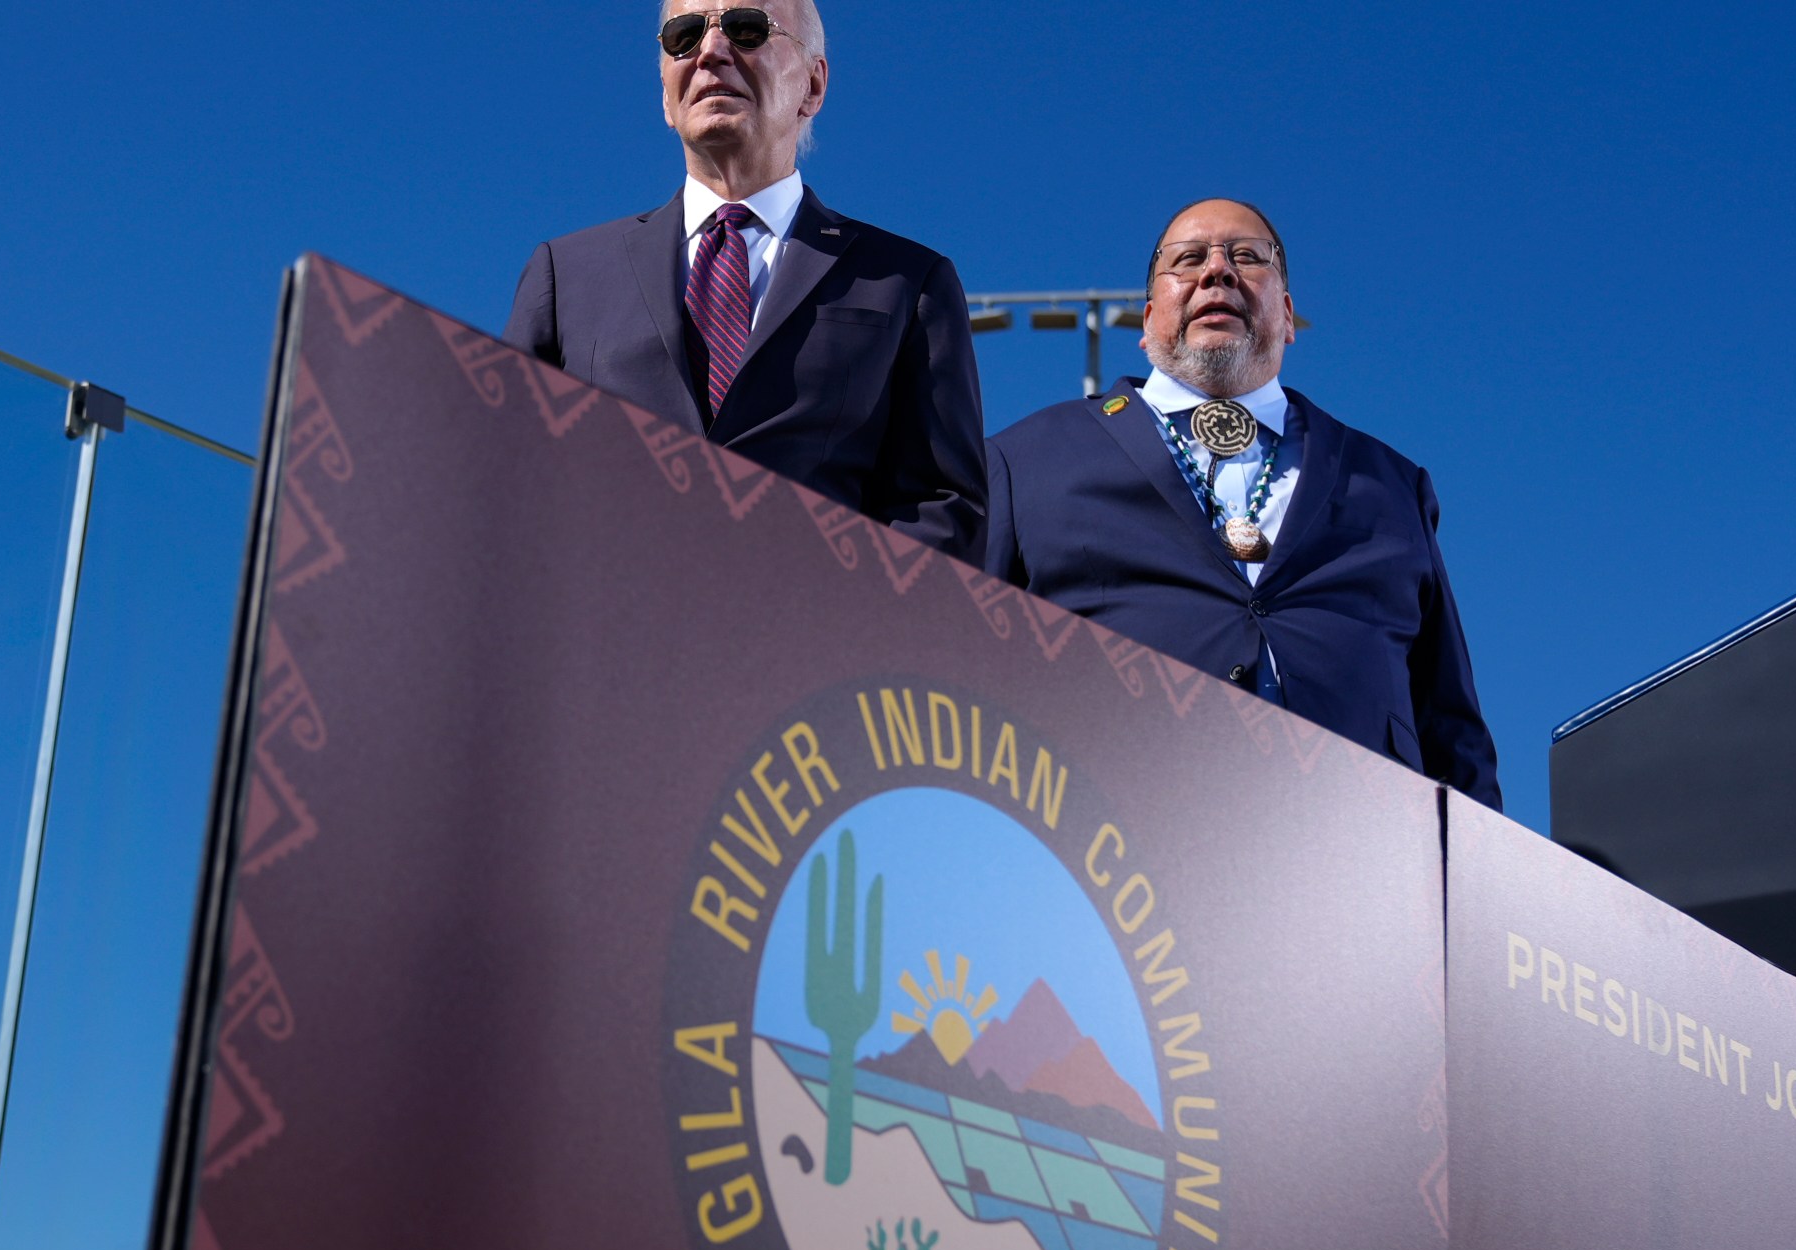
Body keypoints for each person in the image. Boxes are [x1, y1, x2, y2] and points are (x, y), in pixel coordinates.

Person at [984, 199, 1501, 805]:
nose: (1217, 272)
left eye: (1248, 258)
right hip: (1109, 834)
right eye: (1188, 260)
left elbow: (1450, 723)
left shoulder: (1390, 481)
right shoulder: (1026, 459)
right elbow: (966, 668)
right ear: (1149, 322)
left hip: (1360, 846)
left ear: (1286, 316)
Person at [504, 1, 985, 557]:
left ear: (812, 85)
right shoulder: (567, 275)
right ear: (666, 94)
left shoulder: (907, 281)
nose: (710, 51)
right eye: (683, 36)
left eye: (747, 29)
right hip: (606, 630)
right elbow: (507, 479)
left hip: (812, 633)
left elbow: (941, 508)